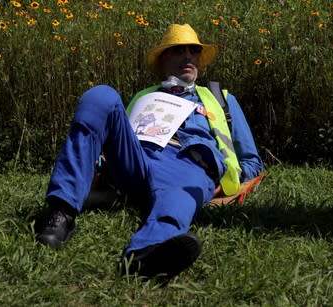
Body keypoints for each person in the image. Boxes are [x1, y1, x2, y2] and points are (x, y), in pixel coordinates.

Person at [35, 23, 263, 280]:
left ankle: (144, 256)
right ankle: (61, 212)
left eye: (194, 51)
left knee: (178, 199)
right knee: (101, 95)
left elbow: (251, 160)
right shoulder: (143, 96)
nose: (188, 56)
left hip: (188, 164)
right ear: (163, 58)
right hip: (137, 159)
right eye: (178, 50)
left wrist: (225, 183)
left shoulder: (220, 98)